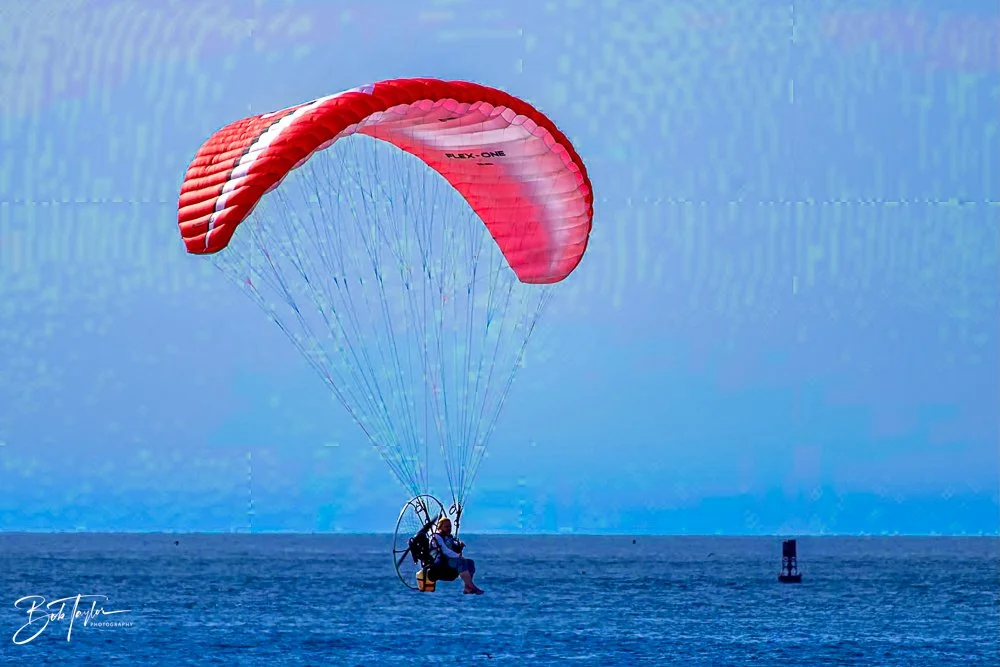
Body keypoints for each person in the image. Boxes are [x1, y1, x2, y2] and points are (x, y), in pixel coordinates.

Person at [429, 517, 484, 594]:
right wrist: (458, 556)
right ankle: (472, 587)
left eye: (450, 527)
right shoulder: (436, 537)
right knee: (461, 562)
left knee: (470, 563)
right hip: (441, 562)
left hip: (449, 561)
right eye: (446, 527)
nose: (449, 528)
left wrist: (459, 547)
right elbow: (445, 550)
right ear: (440, 527)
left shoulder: (449, 537)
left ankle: (467, 588)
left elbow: (452, 549)